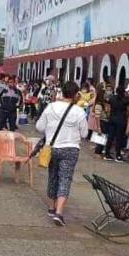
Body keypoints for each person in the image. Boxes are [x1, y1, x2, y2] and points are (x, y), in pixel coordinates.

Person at [36, 81, 88, 227]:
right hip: (71, 149)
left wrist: (51, 128)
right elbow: (84, 133)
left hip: (52, 147)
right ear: (76, 94)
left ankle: (52, 207)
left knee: (53, 175)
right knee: (65, 178)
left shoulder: (51, 107)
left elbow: (39, 127)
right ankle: (59, 212)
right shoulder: (79, 111)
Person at [104, 85, 129, 162]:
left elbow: (106, 102)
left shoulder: (112, 98)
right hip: (121, 120)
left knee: (110, 137)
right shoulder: (125, 100)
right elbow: (127, 109)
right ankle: (118, 155)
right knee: (119, 138)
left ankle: (107, 153)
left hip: (112, 118)